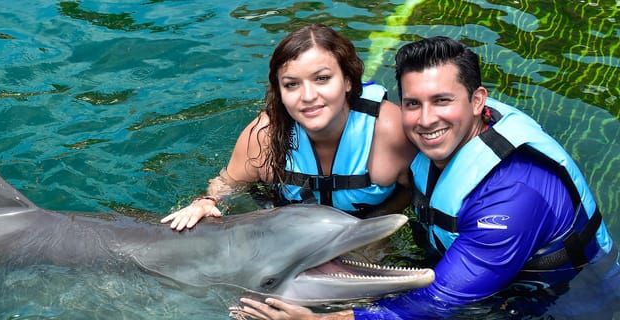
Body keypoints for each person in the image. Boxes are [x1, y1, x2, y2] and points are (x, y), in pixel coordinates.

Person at [231, 36, 615, 319]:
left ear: (478, 100)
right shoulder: (424, 138)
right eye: (413, 103)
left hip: (564, 296)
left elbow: (441, 300)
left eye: (442, 101)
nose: (427, 119)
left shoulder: (513, 194)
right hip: (465, 264)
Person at [160, 24, 416, 231]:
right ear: (280, 92)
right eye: (292, 84)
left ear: (348, 80)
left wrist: (373, 232)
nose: (308, 96)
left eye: (322, 79)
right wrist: (207, 202)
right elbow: (228, 183)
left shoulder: (389, 132)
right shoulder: (263, 135)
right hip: (289, 232)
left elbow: (415, 191)